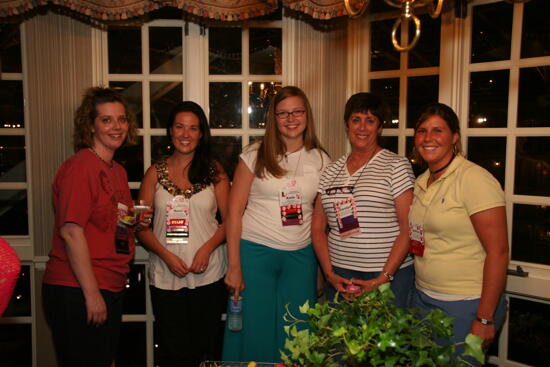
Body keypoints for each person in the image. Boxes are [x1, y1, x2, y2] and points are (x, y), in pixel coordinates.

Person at [223, 86, 330, 363]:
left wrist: (320, 270)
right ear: (273, 118)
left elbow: (322, 224)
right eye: (283, 113)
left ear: (307, 115)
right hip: (255, 254)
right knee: (255, 331)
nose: (290, 118)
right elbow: (233, 213)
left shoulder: (321, 160)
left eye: (297, 111)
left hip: (301, 258)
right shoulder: (254, 154)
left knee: (296, 331)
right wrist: (233, 266)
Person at [42, 87, 138, 367]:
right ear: (91, 126)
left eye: (121, 119)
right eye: (106, 120)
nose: (116, 126)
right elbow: (71, 232)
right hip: (77, 288)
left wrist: (134, 221)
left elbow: (110, 222)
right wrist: (92, 293)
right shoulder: (81, 167)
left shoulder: (116, 170)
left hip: (110, 283)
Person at [409, 103, 508, 364]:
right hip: (423, 297)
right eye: (421, 131)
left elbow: (498, 252)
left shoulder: (474, 179)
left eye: (437, 130)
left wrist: (484, 318)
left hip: (465, 304)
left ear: (454, 137)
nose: (428, 138)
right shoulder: (421, 182)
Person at [136, 101, 230, 367]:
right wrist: (166, 256)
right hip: (166, 275)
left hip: (208, 272)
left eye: (193, 128)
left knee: (207, 349)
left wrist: (207, 248)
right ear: (170, 130)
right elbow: (140, 227)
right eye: (179, 127)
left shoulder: (215, 171)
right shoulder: (154, 172)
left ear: (202, 134)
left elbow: (231, 221)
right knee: (173, 351)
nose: (185, 134)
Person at [312, 92, 415, 309]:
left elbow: (408, 228)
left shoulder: (396, 166)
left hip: (387, 276)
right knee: (342, 342)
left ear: (379, 127)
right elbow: (318, 228)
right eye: (356, 119)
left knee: (384, 343)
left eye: (370, 121)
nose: (362, 127)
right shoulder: (330, 171)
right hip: (341, 278)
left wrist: (383, 278)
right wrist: (329, 273)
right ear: (346, 125)